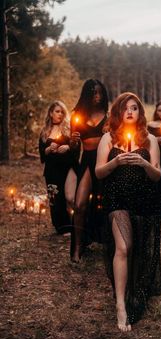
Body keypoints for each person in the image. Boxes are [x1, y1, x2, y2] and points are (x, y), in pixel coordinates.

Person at [95, 92, 161, 332]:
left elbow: (157, 175)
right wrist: (116, 162)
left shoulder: (150, 139)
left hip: (144, 200)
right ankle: (120, 304)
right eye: (126, 108)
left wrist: (144, 163)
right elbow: (99, 173)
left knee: (141, 250)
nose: (130, 112)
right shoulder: (108, 138)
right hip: (118, 200)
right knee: (124, 247)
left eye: (134, 108)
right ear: (118, 112)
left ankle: (135, 291)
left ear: (140, 112)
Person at [66, 79, 109, 263]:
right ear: (86, 94)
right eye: (93, 93)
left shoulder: (108, 116)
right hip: (87, 160)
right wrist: (73, 142)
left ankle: (110, 244)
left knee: (107, 204)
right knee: (79, 205)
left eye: (100, 92)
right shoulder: (77, 116)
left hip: (104, 161)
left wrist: (110, 133)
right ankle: (77, 248)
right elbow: (74, 148)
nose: (97, 96)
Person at [39, 100, 79, 235]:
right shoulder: (45, 132)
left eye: (62, 112)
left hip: (68, 166)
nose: (60, 114)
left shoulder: (69, 128)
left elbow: (76, 148)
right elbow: (42, 155)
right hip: (52, 170)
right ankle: (62, 227)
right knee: (55, 199)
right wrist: (49, 149)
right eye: (57, 111)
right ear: (51, 113)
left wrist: (68, 147)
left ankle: (79, 224)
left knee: (70, 198)